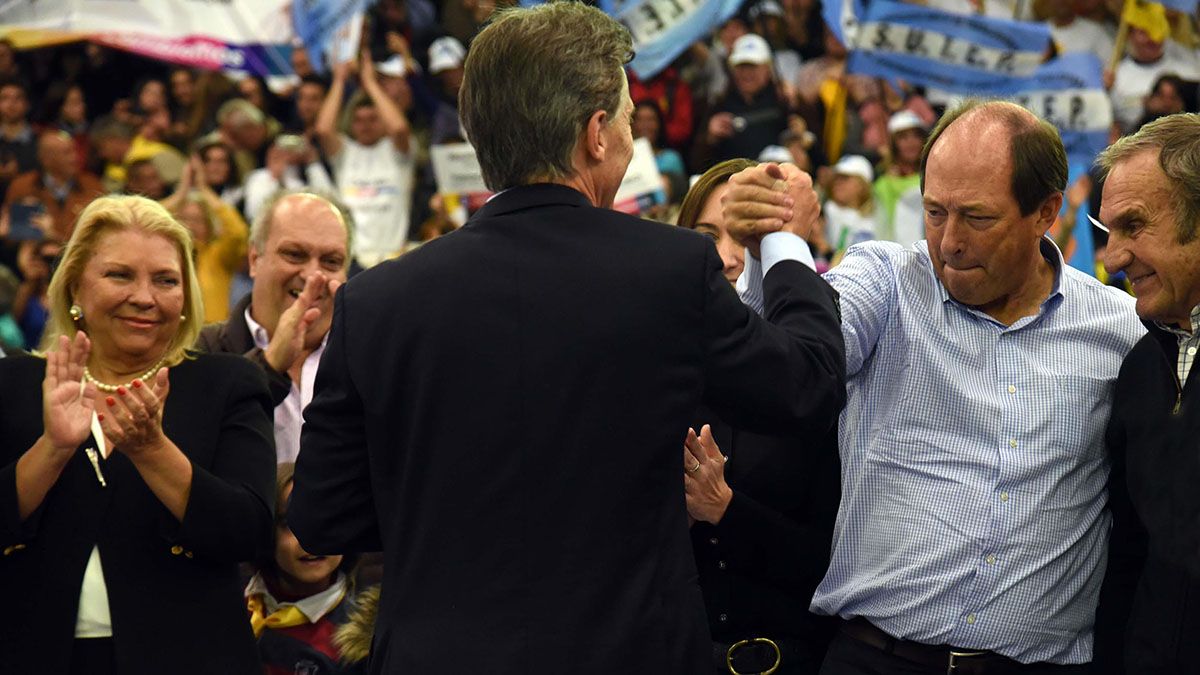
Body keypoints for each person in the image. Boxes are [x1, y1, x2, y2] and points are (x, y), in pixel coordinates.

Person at [288, 3, 846, 673]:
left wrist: (446, 516)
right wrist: (787, 236)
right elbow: (806, 383)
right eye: (633, 122)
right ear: (597, 133)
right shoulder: (670, 271)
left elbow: (323, 516)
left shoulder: (377, 301)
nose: (635, 142)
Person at [727, 100, 1146, 672]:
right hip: (873, 657)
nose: (948, 241)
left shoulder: (1120, 331)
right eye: (933, 212)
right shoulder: (884, 281)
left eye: (977, 217)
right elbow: (792, 365)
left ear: (1046, 211)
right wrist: (771, 247)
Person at [0, 194, 276, 674]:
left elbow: (248, 533)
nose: (144, 297)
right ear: (75, 289)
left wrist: (152, 451)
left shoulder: (227, 383)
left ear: (186, 298)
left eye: (166, 280)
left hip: (190, 658)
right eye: (120, 275)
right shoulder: (16, 384)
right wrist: (53, 449)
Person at [677, 158, 840, 675]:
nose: (725, 259)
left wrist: (726, 509)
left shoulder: (818, 370)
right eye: (706, 237)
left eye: (746, 241)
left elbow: (831, 562)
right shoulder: (654, 367)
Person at [1093, 112, 1200, 673]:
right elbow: (1129, 557)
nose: (1113, 258)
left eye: (1133, 226)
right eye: (1106, 231)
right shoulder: (1138, 368)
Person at [197, 189, 351, 465]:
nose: (312, 275)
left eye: (331, 262)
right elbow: (197, 451)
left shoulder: (366, 359)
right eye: (295, 255)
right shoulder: (202, 352)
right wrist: (269, 367)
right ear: (255, 260)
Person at [245, 462, 363, 675]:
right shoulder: (238, 603)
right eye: (291, 525)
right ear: (268, 533)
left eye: (328, 522)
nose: (312, 541)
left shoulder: (357, 638)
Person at [315, 52, 415, 268]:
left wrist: (370, 83)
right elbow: (323, 130)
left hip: (394, 256)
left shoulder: (397, 152)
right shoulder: (345, 153)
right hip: (354, 260)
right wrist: (339, 80)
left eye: (372, 119)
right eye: (358, 120)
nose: (365, 125)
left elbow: (399, 127)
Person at [3, 130, 104, 241]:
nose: (75, 158)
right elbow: (11, 237)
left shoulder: (93, 186)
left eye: (75, 151)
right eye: (67, 153)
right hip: (33, 256)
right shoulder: (21, 187)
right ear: (46, 159)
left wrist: (53, 237)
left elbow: (102, 235)